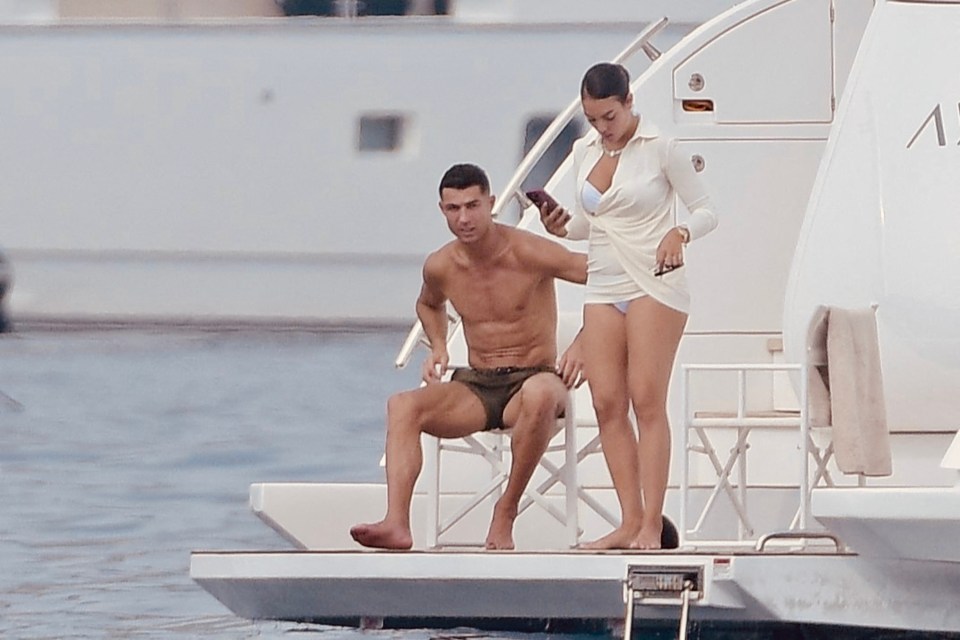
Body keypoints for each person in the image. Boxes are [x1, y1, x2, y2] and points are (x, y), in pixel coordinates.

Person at [350, 163, 587, 551]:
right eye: (453, 208)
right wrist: (440, 345)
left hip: (535, 379)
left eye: (473, 206)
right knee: (402, 405)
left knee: (541, 393)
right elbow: (428, 305)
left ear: (491, 204)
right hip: (477, 385)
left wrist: (585, 342)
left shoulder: (529, 251)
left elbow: (611, 280)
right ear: (442, 210)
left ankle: (505, 512)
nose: (464, 218)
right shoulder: (441, 265)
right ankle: (396, 523)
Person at [537, 63, 719, 549]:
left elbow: (707, 211)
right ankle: (627, 519)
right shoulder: (584, 150)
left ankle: (651, 524)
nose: (602, 127)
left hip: (655, 281)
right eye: (593, 118)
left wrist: (680, 232)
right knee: (606, 402)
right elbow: (588, 223)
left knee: (646, 397)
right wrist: (560, 225)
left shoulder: (661, 148)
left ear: (629, 101)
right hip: (604, 280)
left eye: (609, 116)